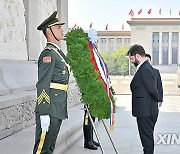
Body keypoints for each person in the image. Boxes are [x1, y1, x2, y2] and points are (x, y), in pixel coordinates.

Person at [33, 11, 70, 154]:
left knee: (49, 148)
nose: (61, 30)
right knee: (42, 149)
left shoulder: (58, 53)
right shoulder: (48, 54)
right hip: (49, 108)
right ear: (49, 31)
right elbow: (42, 84)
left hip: (57, 107)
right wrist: (43, 112)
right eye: (58, 28)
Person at [127, 44, 160, 154]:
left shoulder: (145, 69)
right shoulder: (143, 68)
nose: (131, 61)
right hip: (145, 110)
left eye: (132, 58)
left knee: (146, 140)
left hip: (146, 111)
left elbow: (152, 89)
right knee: (146, 139)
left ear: (137, 56)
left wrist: (158, 99)